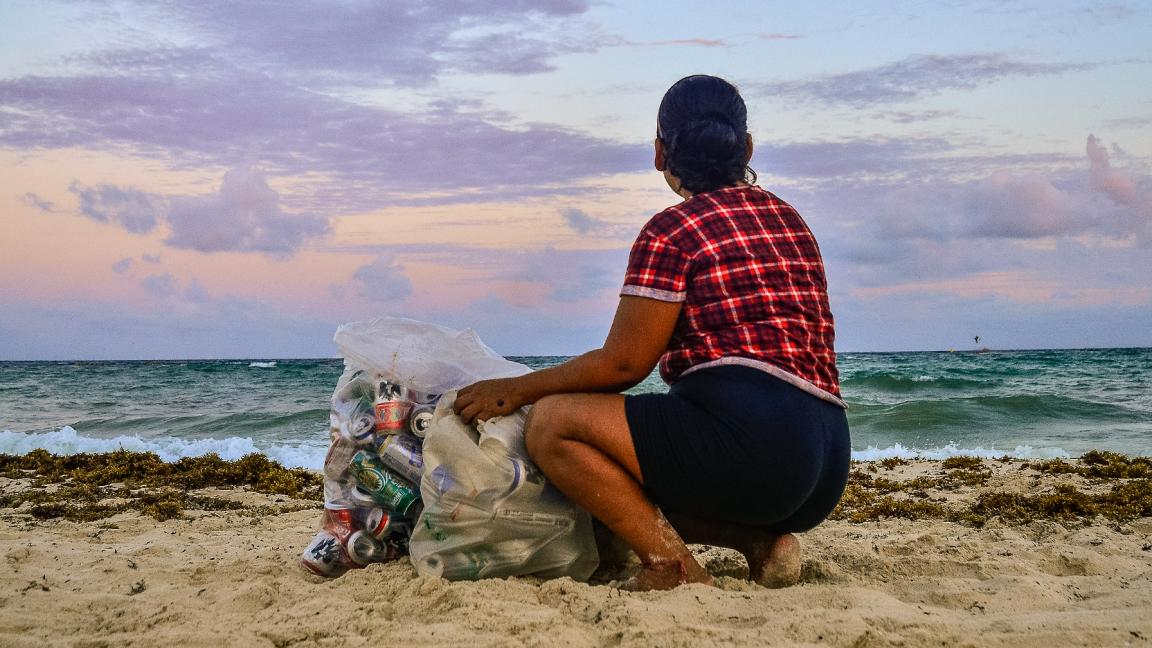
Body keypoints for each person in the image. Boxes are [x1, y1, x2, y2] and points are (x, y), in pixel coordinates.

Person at [453, 74, 850, 591]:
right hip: (825, 461)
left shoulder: (674, 230)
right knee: (612, 486)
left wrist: (517, 389)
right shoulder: (791, 219)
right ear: (747, 146)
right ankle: (762, 544)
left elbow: (624, 365)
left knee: (554, 426)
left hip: (754, 446)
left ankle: (672, 568)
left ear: (660, 153)